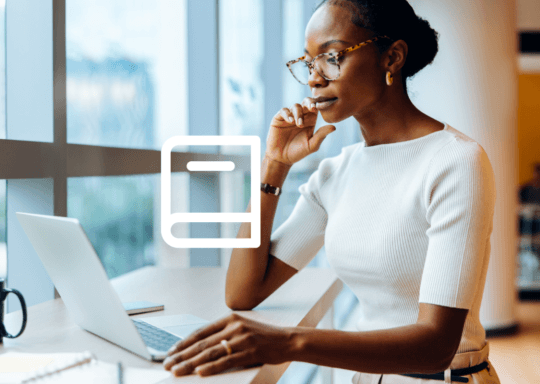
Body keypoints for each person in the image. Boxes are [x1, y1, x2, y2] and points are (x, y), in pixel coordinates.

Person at [163, 1, 499, 383]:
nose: (314, 78)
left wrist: (289, 342)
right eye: (309, 63)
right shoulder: (335, 174)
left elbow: (435, 346)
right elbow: (243, 291)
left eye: (331, 57)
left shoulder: (455, 162)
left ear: (392, 57)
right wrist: (275, 164)